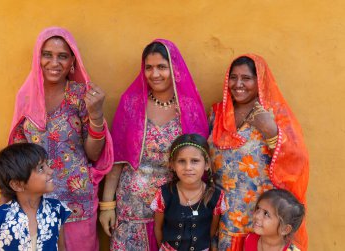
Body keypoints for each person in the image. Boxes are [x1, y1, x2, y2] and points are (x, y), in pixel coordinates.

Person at [8, 27, 113, 250]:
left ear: (72, 61)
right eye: (47, 54)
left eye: (62, 56)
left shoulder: (80, 95)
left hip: (77, 201)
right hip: (36, 203)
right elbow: (17, 156)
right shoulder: (26, 97)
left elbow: (93, 154)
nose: (54, 62)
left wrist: (96, 115)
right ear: (38, 57)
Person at [99, 39, 208, 250]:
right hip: (132, 209)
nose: (155, 74)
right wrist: (107, 206)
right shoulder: (131, 104)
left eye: (161, 67)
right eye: (149, 67)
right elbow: (118, 159)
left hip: (175, 208)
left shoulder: (189, 108)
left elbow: (200, 162)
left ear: (173, 68)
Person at [208, 54, 309, 250]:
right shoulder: (217, 114)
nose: (238, 84)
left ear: (259, 80)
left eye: (246, 78)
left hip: (260, 216)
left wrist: (270, 131)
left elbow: (298, 160)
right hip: (222, 213)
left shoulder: (274, 114)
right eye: (233, 77)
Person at [0, 143, 71, 250]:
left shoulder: (57, 209)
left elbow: (61, 247)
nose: (50, 171)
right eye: (41, 168)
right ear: (18, 184)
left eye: (47, 165)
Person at [151, 134, 227, 251]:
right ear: (173, 165)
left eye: (195, 161)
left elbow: (211, 231)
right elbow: (158, 228)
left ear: (206, 164)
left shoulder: (215, 196)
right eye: (181, 161)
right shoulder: (164, 194)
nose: (188, 167)